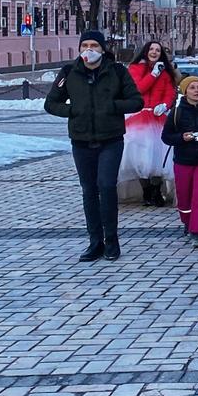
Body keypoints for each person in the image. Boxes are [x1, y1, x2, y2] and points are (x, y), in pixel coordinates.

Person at [46, 30, 145, 262]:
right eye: (85, 45)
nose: (89, 50)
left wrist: (112, 106)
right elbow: (51, 103)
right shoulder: (70, 72)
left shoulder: (117, 71)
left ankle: (112, 240)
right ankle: (95, 242)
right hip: (81, 141)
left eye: (94, 45)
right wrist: (73, 111)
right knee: (89, 190)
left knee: (107, 186)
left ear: (102, 49)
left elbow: (136, 101)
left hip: (110, 140)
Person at [161, 75, 198, 247]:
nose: (196, 91)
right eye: (192, 88)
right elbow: (166, 136)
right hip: (183, 159)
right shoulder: (177, 112)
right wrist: (181, 137)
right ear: (185, 91)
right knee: (184, 195)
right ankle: (187, 221)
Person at [121, 40, 179, 206]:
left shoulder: (166, 73)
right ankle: (146, 191)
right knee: (142, 157)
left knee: (159, 156)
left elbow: (170, 92)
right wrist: (153, 74)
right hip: (139, 117)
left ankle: (156, 190)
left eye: (158, 50)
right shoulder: (135, 69)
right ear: (145, 51)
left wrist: (165, 105)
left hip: (158, 118)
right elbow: (138, 89)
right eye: (151, 49)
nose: (154, 52)